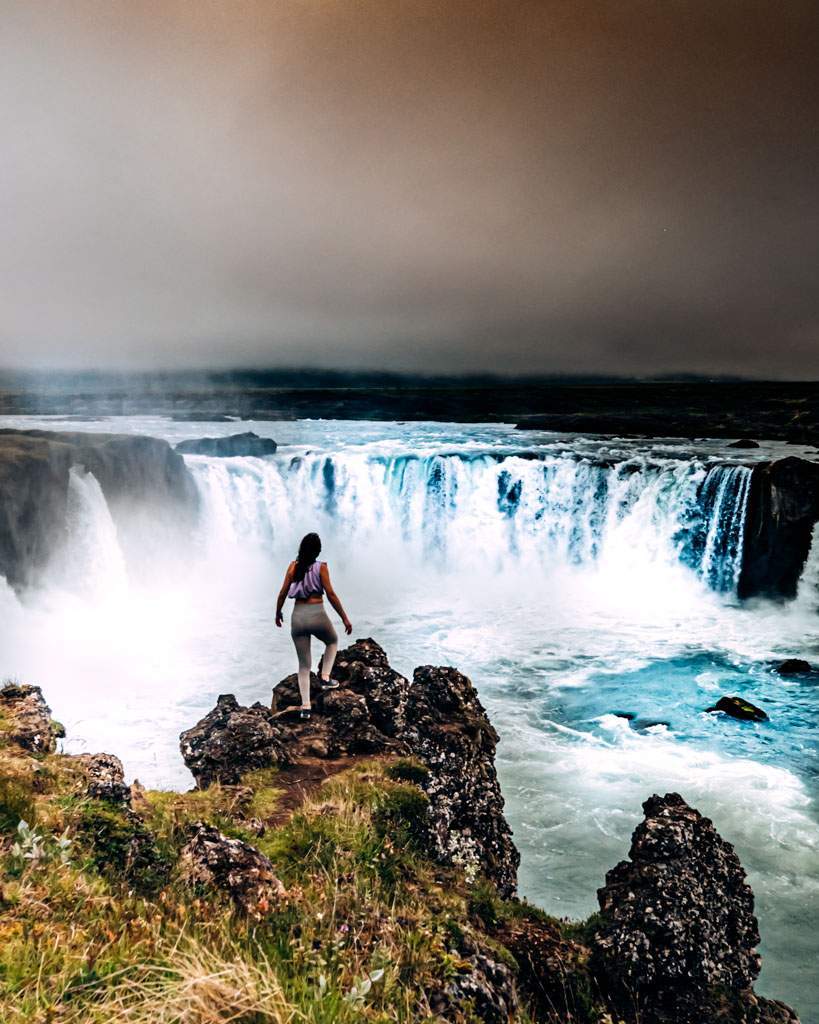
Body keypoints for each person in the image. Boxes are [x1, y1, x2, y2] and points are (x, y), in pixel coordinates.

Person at [275, 532, 352, 720]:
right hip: (317, 613)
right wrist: (344, 618)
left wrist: (277, 613)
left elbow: (283, 593)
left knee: (303, 665)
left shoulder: (293, 567)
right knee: (332, 641)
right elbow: (331, 595)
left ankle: (306, 707)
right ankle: (325, 678)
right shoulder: (321, 567)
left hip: (298, 616)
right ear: (318, 550)